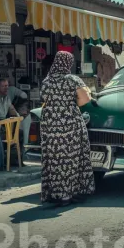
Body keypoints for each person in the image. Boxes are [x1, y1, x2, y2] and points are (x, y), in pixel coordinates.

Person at [40, 51, 95, 207]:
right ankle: (70, 194)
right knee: (71, 159)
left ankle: (56, 193)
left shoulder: (46, 81)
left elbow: (44, 99)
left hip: (50, 125)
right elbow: (85, 100)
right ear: (68, 64)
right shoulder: (72, 80)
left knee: (54, 159)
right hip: (69, 124)